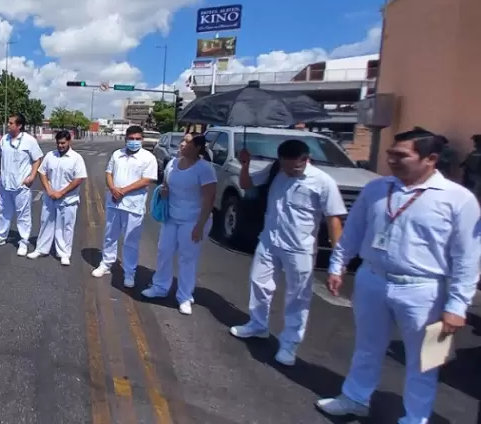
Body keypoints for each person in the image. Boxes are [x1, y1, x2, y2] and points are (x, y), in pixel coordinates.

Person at [316, 128, 481, 423]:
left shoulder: (459, 200)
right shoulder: (377, 188)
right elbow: (354, 230)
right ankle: (355, 397)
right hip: (373, 280)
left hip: (425, 290)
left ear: (430, 159)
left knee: (425, 362)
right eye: (391, 153)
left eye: (401, 155)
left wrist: (457, 306)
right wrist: (337, 264)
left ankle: (415, 418)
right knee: (367, 347)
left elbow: (468, 257)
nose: (391, 159)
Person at [229, 139, 346, 366]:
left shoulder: (323, 182)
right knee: (259, 284)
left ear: (306, 159)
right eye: (285, 165)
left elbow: (334, 219)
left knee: (297, 297)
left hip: (300, 248)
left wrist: (337, 260)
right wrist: (245, 163)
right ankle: (257, 324)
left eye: (295, 166)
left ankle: (289, 344)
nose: (290, 170)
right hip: (270, 240)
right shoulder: (275, 171)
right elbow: (246, 184)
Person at [142, 133, 217, 315]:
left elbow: (209, 198)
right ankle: (160, 286)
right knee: (164, 251)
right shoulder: (172, 164)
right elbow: (166, 185)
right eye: (182, 140)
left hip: (193, 221)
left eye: (187, 142)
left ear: (198, 147)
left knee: (187, 258)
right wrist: (164, 192)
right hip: (172, 218)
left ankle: (184, 296)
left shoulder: (204, 169)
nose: (182, 144)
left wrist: (200, 225)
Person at [93, 125, 158, 285]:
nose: (134, 142)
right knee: (110, 236)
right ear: (126, 139)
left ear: (142, 139)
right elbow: (109, 173)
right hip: (114, 202)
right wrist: (113, 188)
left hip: (133, 206)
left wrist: (122, 191)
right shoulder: (117, 154)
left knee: (131, 240)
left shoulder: (148, 158)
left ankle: (129, 273)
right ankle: (106, 263)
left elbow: (147, 180)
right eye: (131, 139)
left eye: (137, 139)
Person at [0, 114, 44, 255]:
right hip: (5, 184)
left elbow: (37, 159)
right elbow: (1, 156)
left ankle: (23, 242)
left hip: (21, 185)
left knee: (23, 215)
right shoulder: (4, 139)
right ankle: (0, 236)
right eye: (8, 122)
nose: (8, 125)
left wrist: (32, 177)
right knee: (3, 211)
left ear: (19, 125)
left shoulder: (29, 141)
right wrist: (1, 173)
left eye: (11, 123)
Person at [26, 130, 87, 266]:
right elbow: (42, 172)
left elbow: (79, 178)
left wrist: (62, 192)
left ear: (69, 142)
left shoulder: (76, 158)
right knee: (46, 222)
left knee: (66, 226)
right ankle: (41, 249)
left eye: (63, 143)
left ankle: (64, 254)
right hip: (50, 197)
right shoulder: (50, 156)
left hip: (68, 199)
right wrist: (49, 190)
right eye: (58, 143)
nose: (60, 146)